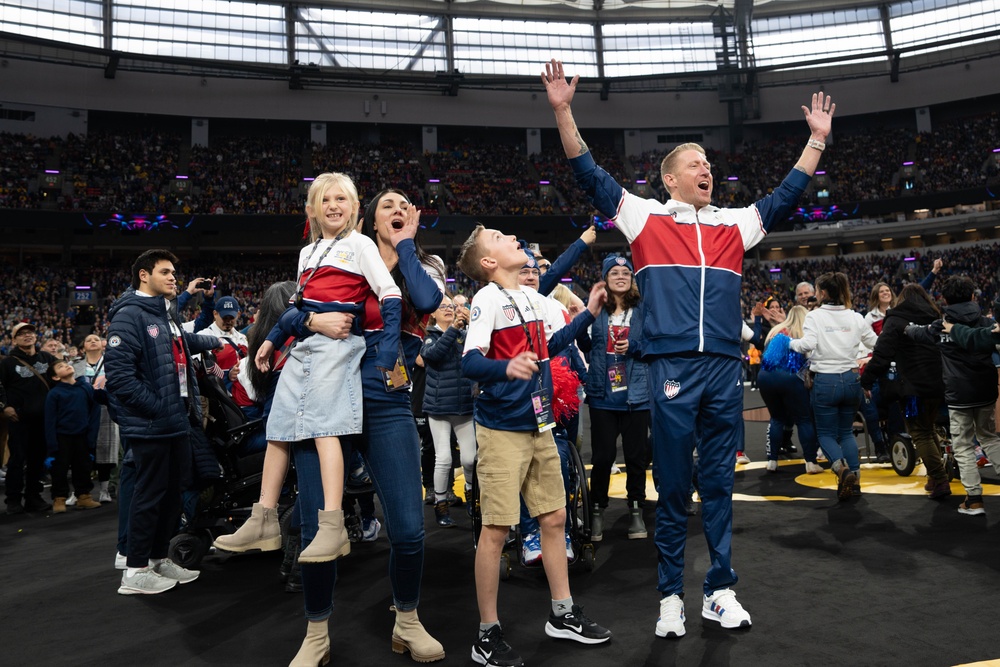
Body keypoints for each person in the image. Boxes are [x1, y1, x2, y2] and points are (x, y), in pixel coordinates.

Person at [543, 57, 834, 637]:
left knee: (720, 485)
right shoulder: (644, 218)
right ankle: (671, 595)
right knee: (673, 487)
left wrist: (816, 142)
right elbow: (589, 173)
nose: (707, 169)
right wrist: (563, 111)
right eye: (694, 164)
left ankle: (720, 591)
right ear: (670, 179)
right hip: (671, 369)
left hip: (724, 370)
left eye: (709, 163)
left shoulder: (735, 223)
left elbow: (786, 195)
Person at [289, 187, 446, 666]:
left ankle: (407, 619)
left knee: (410, 528)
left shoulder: (425, 264)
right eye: (387, 206)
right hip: (327, 395)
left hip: (386, 398)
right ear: (368, 218)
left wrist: (406, 246)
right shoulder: (335, 256)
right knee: (317, 525)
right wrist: (313, 324)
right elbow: (292, 314)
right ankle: (316, 632)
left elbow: (424, 300)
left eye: (405, 206)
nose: (397, 210)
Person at [218, 173, 403, 569]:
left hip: (337, 344)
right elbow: (297, 307)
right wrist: (269, 341)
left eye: (341, 198)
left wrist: (388, 347)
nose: (333, 205)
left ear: (354, 207)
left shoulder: (360, 244)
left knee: (325, 429)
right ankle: (264, 517)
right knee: (279, 429)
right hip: (304, 345)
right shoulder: (308, 252)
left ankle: (333, 523)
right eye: (325, 199)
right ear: (312, 209)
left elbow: (390, 293)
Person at [459, 224, 612, 667]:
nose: (515, 240)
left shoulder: (531, 298)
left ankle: (562, 613)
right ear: (489, 262)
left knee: (556, 516)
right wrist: (505, 368)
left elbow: (552, 346)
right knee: (496, 531)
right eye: (503, 239)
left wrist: (589, 315)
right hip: (502, 428)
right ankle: (486, 634)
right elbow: (471, 362)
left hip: (538, 424)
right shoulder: (485, 300)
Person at [105, 249, 221, 595]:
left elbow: (184, 345)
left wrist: (219, 340)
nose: (173, 277)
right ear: (144, 275)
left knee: (171, 495)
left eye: (174, 272)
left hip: (176, 421)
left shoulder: (164, 314)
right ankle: (135, 569)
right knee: (149, 495)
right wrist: (158, 407)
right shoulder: (129, 316)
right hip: (153, 423)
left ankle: (157, 559)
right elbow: (121, 378)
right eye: (166, 272)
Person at [906, 276, 1000, 516]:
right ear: (972, 297)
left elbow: (919, 334)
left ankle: (974, 499)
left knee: (963, 446)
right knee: (989, 438)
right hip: (986, 389)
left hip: (958, 393)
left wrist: (907, 328)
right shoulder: (986, 323)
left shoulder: (941, 325)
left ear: (945, 299)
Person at [577, 253, 651, 541]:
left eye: (625, 272)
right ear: (605, 279)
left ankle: (636, 512)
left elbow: (652, 345)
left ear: (632, 279)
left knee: (635, 458)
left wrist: (632, 346)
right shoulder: (596, 310)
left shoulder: (643, 310)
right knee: (603, 457)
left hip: (636, 395)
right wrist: (582, 319)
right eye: (614, 272)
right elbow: (584, 345)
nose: (621, 276)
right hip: (602, 396)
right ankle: (597, 512)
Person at [789, 272, 877, 499]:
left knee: (826, 434)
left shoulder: (815, 317)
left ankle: (841, 468)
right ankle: (854, 481)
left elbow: (807, 344)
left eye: (817, 290)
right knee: (846, 432)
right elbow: (875, 342)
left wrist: (787, 342)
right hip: (851, 379)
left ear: (824, 293)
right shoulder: (856, 317)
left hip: (826, 380)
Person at [860, 283, 950, 498]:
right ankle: (934, 477)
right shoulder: (936, 317)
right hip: (939, 383)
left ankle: (939, 479)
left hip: (912, 387)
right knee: (929, 430)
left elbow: (882, 354)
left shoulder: (896, 320)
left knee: (920, 432)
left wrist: (866, 380)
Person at [420, 293, 476, 528]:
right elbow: (433, 356)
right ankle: (440, 505)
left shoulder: (466, 335)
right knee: (443, 459)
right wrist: (454, 329)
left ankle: (473, 496)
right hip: (439, 408)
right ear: (432, 313)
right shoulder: (429, 337)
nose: (448, 309)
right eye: (442, 306)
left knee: (470, 459)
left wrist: (471, 326)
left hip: (464, 405)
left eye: (451, 306)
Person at [757, 306, 821, 474]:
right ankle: (810, 462)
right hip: (791, 377)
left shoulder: (775, 331)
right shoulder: (805, 332)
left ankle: (772, 460)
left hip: (766, 376)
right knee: (804, 419)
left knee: (777, 418)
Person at [1, 322, 57, 514]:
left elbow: (60, 380)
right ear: (14, 340)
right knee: (17, 460)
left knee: (37, 460)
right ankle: (13, 500)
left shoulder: (47, 358)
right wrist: (4, 407)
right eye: (22, 334)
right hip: (19, 419)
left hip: (44, 419)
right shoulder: (7, 362)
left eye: (30, 333)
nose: (27, 336)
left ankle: (34, 497)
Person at [44, 359, 102, 512]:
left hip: (82, 435)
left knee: (83, 467)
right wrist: (52, 446)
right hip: (62, 436)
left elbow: (94, 411)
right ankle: (59, 498)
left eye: (66, 364)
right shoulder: (54, 393)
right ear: (56, 377)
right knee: (59, 469)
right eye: (60, 367)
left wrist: (91, 438)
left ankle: (84, 496)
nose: (66, 366)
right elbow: (49, 420)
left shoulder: (85, 388)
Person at [72, 333, 118, 503]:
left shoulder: (112, 363)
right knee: (80, 451)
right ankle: (78, 491)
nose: (92, 341)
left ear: (102, 345)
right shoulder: (75, 366)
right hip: (81, 411)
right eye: (88, 339)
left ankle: (104, 490)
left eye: (96, 339)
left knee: (106, 450)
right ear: (83, 346)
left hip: (106, 410)